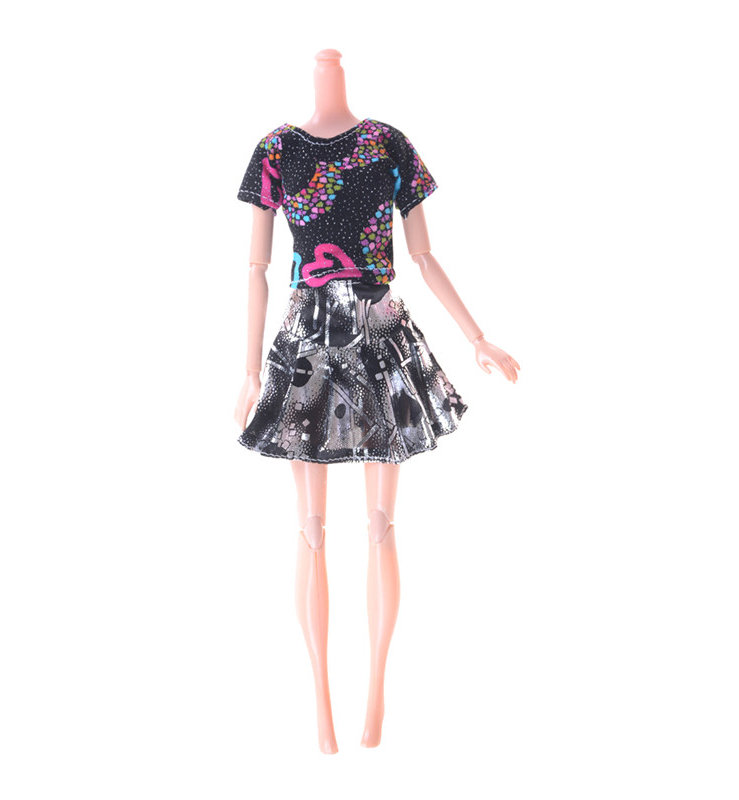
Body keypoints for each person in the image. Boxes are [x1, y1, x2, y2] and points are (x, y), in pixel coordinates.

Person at [234, 49, 520, 754]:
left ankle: (375, 703)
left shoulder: (388, 143)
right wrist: (247, 371)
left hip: (380, 330)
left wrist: (477, 336)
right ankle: (322, 710)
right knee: (310, 528)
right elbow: (255, 267)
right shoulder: (275, 150)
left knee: (381, 525)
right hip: (307, 341)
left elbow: (423, 255)